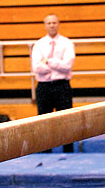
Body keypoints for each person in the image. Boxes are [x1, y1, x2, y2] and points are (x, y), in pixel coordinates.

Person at [32, 14, 75, 152]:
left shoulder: (66, 43)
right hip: (44, 87)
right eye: (49, 23)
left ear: (58, 24)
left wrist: (48, 61)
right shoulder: (39, 44)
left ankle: (68, 151)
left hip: (62, 86)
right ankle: (45, 151)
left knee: (66, 120)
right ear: (45, 25)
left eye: (54, 22)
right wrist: (57, 64)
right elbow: (36, 68)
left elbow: (67, 66)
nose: (52, 25)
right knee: (44, 121)